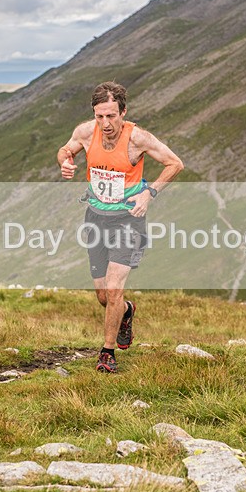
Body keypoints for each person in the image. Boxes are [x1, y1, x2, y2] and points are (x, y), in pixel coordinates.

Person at [57, 81, 183, 373]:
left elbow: (175, 163)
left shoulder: (138, 138)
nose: (106, 123)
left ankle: (106, 352)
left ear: (123, 112)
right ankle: (127, 311)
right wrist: (65, 162)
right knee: (104, 297)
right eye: (100, 116)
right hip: (96, 218)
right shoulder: (86, 132)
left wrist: (148, 193)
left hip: (128, 221)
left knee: (114, 290)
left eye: (111, 115)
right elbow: (66, 149)